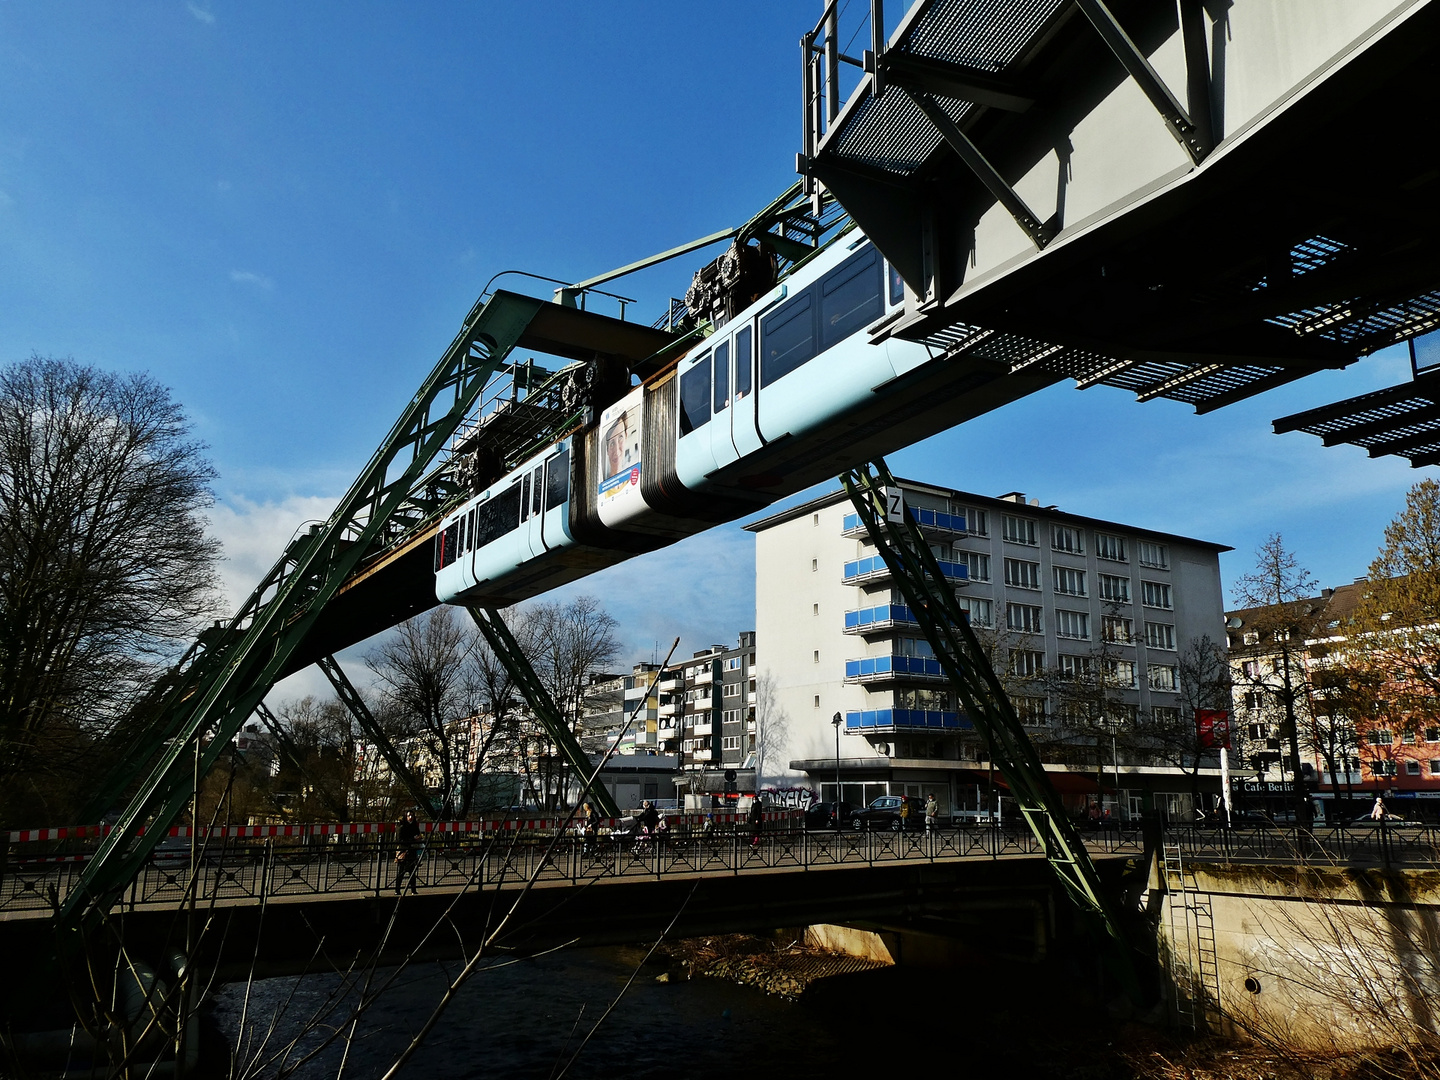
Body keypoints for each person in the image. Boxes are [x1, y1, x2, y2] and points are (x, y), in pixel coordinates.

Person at [394, 809, 422, 895]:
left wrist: (418, 838)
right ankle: (397, 890)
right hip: (403, 850)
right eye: (409, 815)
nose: (411, 817)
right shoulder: (401, 826)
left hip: (412, 850)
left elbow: (417, 834)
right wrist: (413, 839)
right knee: (401, 871)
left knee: (412, 871)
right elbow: (400, 840)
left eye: (412, 816)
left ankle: (413, 890)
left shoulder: (414, 825)